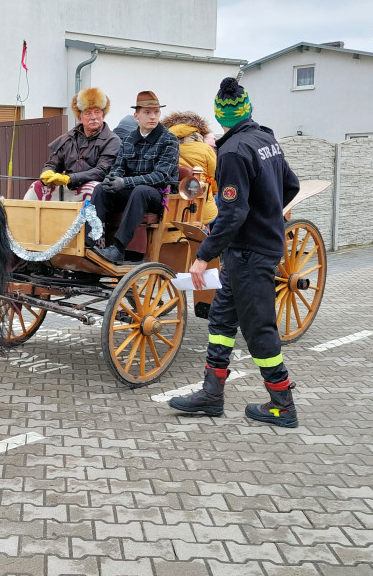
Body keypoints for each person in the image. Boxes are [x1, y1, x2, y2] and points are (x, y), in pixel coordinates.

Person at [168, 77, 301, 428]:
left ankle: (283, 404)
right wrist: (267, 214)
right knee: (222, 320)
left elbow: (232, 213)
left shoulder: (232, 151)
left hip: (250, 253)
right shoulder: (265, 139)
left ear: (219, 114)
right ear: (247, 108)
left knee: (259, 330)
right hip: (251, 249)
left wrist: (202, 256)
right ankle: (212, 394)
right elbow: (292, 186)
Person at [92, 91, 180, 264]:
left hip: (159, 195)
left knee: (141, 191)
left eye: (156, 112)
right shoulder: (129, 139)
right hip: (132, 191)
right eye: (147, 113)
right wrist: (113, 179)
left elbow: (160, 176)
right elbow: (119, 167)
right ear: (136, 115)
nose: (153, 117)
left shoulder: (169, 140)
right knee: (101, 189)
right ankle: (90, 242)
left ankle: (118, 248)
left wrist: (124, 182)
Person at [24, 87, 121, 202]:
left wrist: (70, 178)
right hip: (69, 187)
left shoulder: (112, 140)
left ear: (103, 115)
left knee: (94, 188)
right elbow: (52, 163)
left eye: (97, 112)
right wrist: (47, 173)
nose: (94, 117)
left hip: (98, 189)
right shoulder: (68, 139)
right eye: (88, 113)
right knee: (36, 187)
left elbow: (101, 171)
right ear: (80, 118)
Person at [164, 110, 218, 226]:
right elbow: (216, 178)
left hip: (169, 210)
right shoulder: (206, 149)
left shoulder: (163, 148)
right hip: (200, 209)